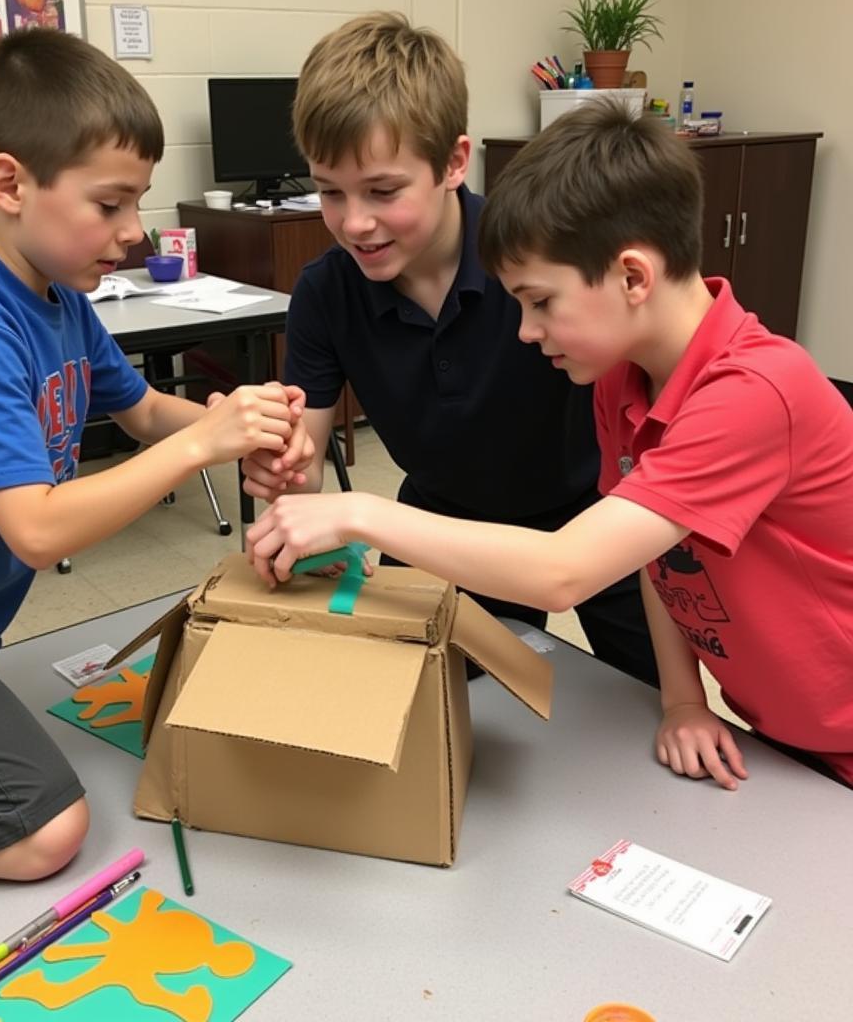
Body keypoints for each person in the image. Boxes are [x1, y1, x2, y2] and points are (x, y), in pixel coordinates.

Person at [247, 100, 853, 791]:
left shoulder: (751, 393)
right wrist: (684, 701)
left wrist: (358, 512)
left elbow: (565, 571)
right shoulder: (622, 378)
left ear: (632, 277)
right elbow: (661, 555)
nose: (527, 332)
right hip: (785, 726)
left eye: (540, 303)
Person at [0, 29, 301, 885]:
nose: (131, 232)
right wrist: (206, 442)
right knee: (40, 825)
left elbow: (147, 408)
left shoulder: (56, 294)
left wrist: (238, 420)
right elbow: (37, 533)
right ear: (10, 183)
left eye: (137, 204)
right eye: (110, 204)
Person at [240, 12, 658, 686]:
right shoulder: (325, 292)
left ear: (453, 163)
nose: (355, 223)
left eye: (383, 191)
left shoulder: (535, 259)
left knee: (656, 702)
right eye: (328, 192)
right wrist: (283, 467)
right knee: (419, 705)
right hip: (440, 520)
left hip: (592, 509)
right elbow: (306, 463)